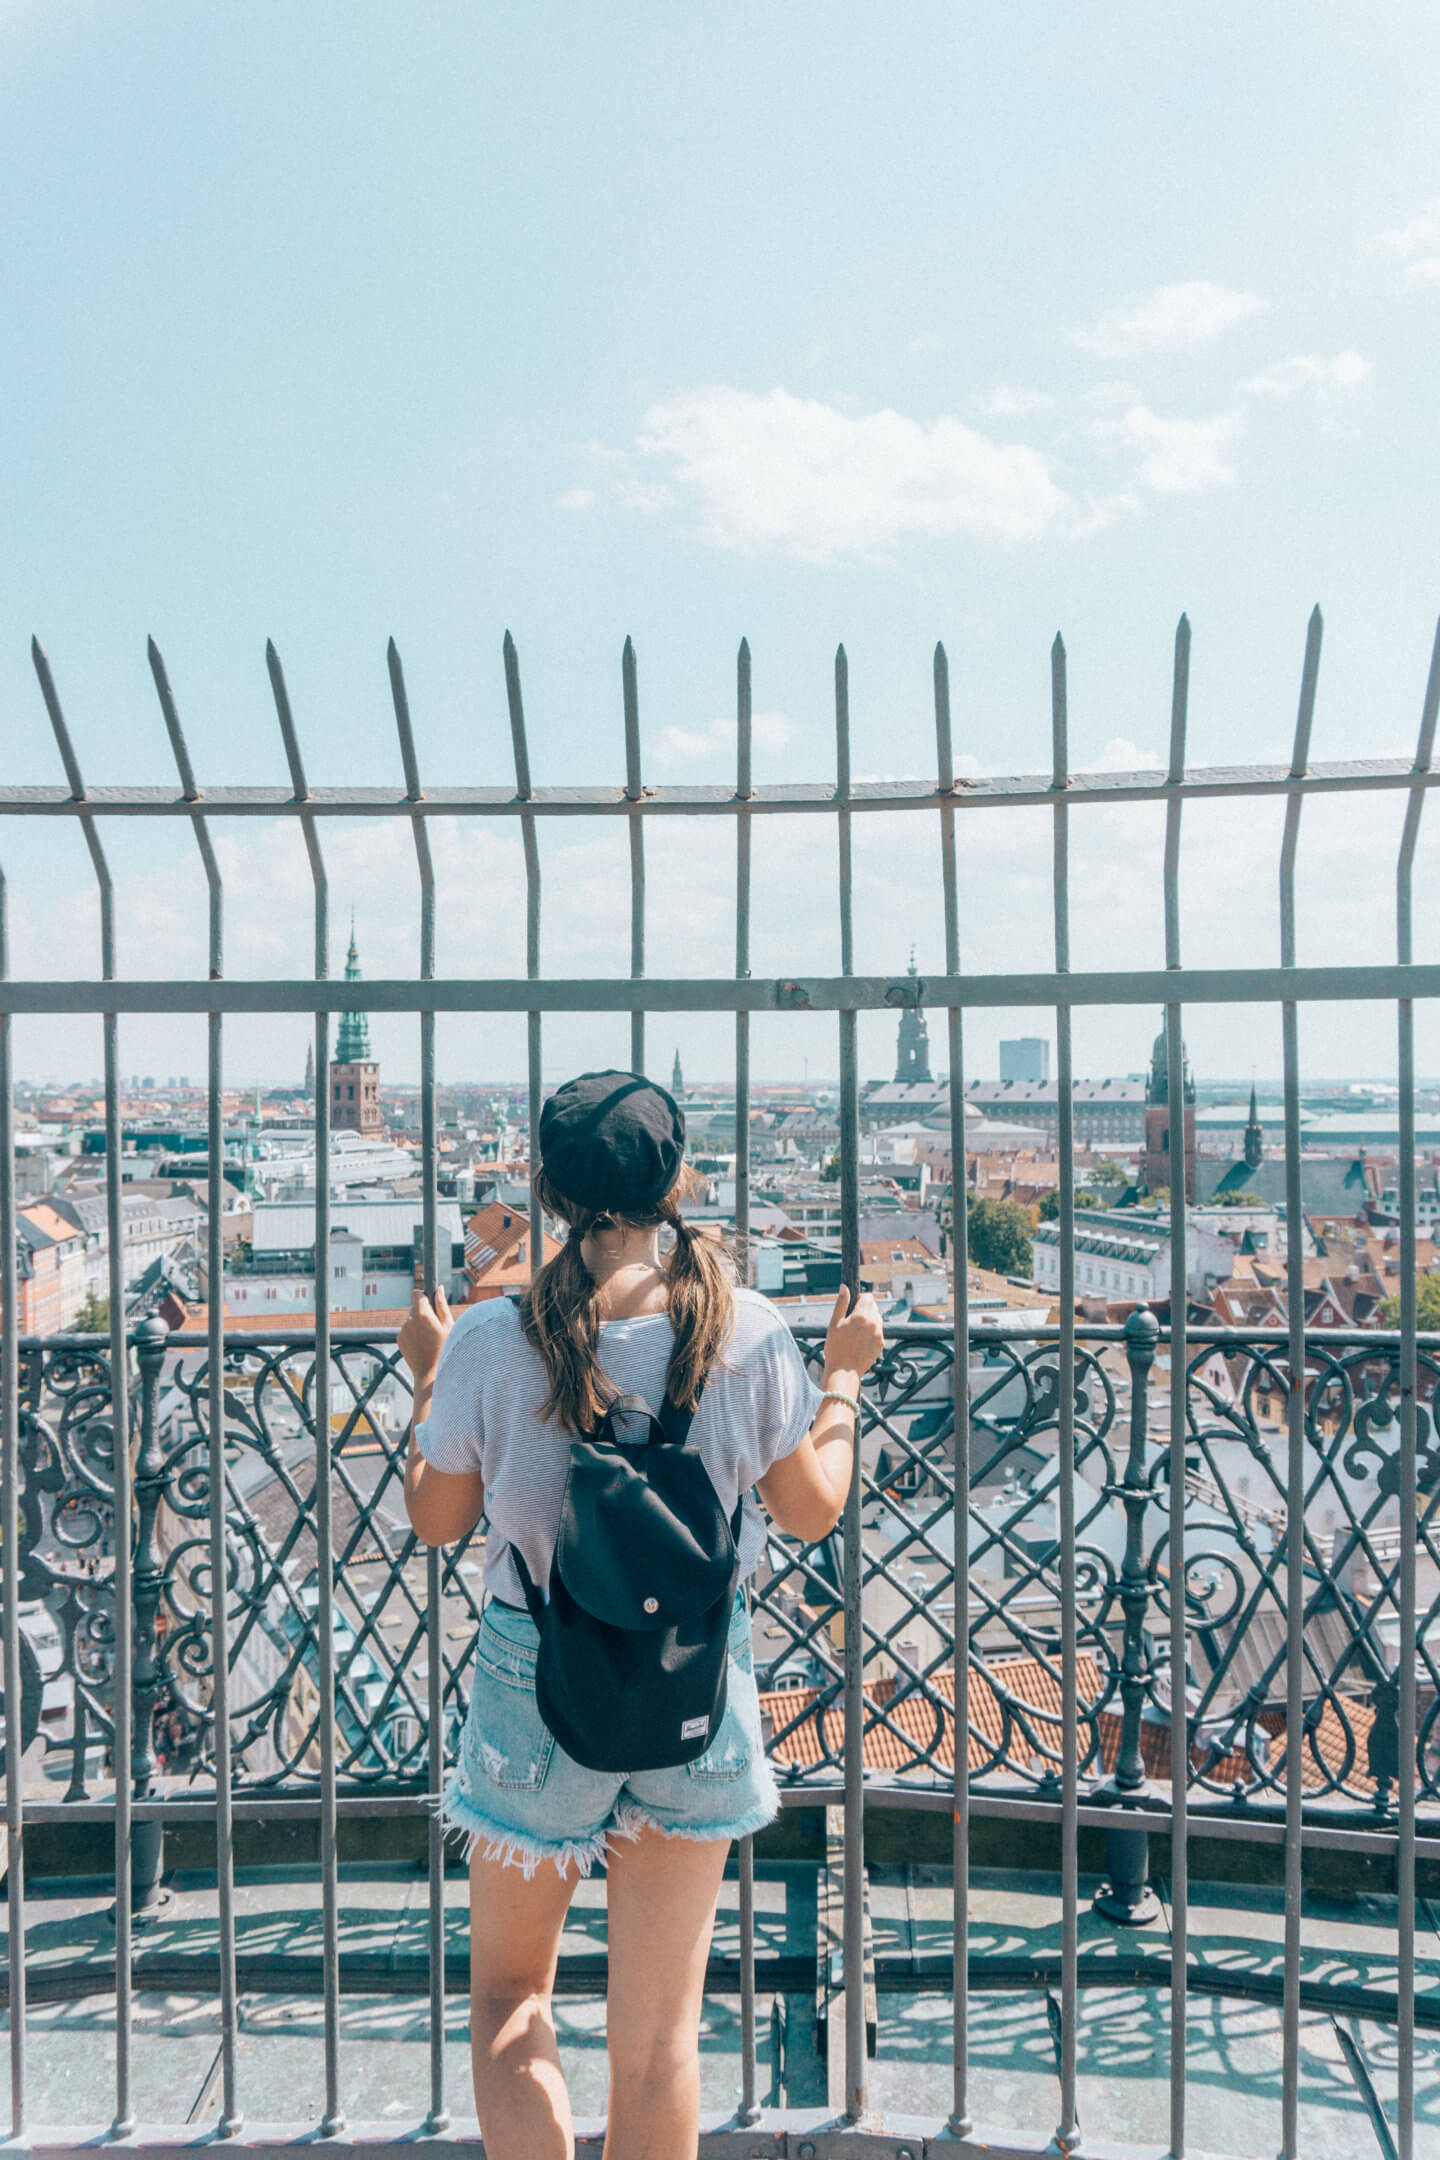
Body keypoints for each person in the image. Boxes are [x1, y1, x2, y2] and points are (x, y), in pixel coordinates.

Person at [399, 1068, 884, 2160]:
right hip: (693, 1682)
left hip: (536, 1683)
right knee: (659, 2038)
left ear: (550, 1192)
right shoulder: (747, 1331)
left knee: (512, 2001)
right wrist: (845, 1380)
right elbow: (811, 1512)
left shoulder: (488, 1338)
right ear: (677, 1182)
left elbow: (436, 1521)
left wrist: (428, 1381)